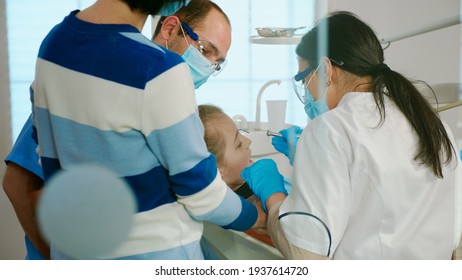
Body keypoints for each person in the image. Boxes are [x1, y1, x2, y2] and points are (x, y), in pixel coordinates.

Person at [16, 0, 269, 260]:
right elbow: (201, 194)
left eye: (216, 63)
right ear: (170, 25)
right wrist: (255, 217)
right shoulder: (159, 69)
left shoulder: (53, 45)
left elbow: (50, 158)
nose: (207, 67)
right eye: (205, 50)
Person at [242, 11, 462, 259]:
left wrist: (272, 196)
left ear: (326, 69)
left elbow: (305, 256)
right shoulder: (434, 126)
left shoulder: (331, 129)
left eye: (304, 80)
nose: (306, 93)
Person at [198, 104, 276, 247]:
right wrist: (275, 201)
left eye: (240, 133)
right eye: (238, 144)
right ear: (217, 171)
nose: (248, 141)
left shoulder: (251, 188)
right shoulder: (244, 219)